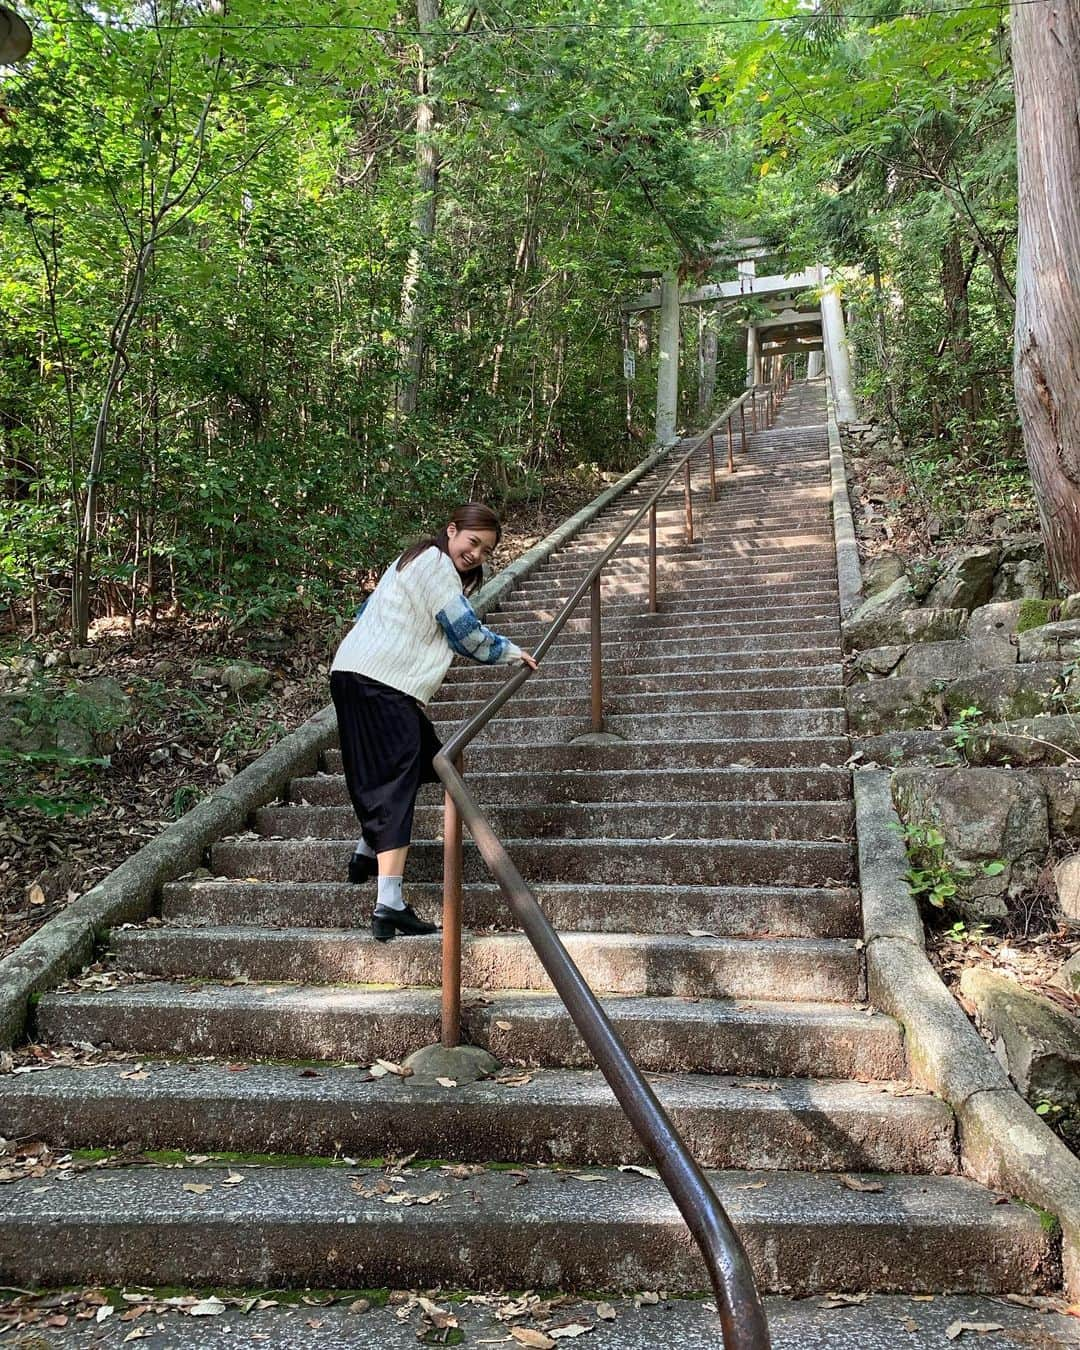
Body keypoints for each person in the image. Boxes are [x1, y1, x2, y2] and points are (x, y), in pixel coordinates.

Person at [330, 503, 537, 942]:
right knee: (393, 781)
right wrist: (511, 653)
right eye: (472, 541)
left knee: (430, 758)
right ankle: (389, 904)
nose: (476, 554)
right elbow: (465, 635)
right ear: (452, 531)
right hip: (382, 682)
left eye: (485, 550)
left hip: (354, 673)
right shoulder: (438, 565)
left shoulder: (410, 560)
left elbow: (366, 612)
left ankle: (367, 851)